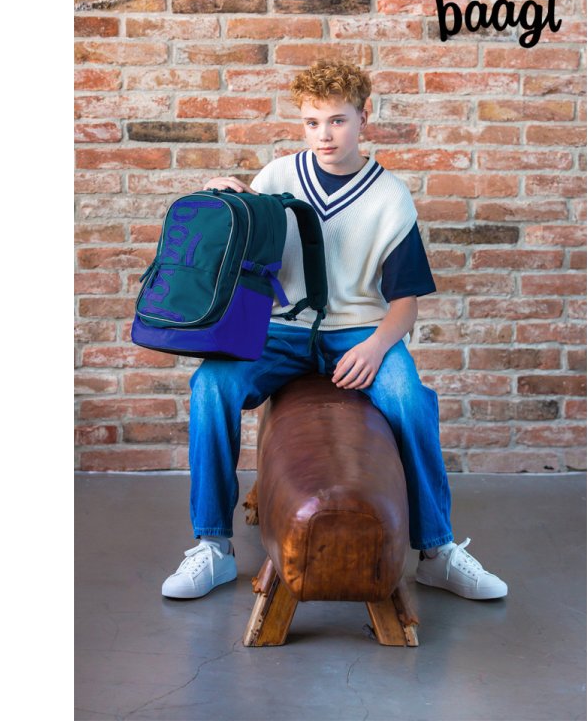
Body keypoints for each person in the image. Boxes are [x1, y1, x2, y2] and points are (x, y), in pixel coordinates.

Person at [161, 59, 508, 602]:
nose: (324, 135)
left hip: (359, 333)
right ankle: (212, 545)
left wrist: (376, 346)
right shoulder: (277, 177)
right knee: (210, 385)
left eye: (338, 121)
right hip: (280, 334)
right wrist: (225, 198)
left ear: (363, 118)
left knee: (410, 398)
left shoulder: (390, 196)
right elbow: (241, 258)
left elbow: (406, 304)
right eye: (312, 122)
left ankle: (437, 552)